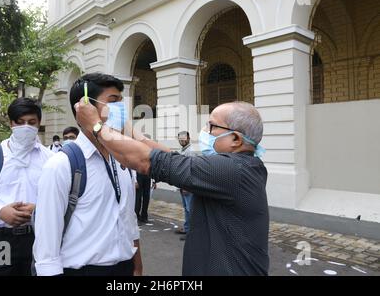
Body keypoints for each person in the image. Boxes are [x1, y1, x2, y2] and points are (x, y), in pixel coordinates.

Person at [76, 99, 269, 276]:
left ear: (235, 139)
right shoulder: (243, 166)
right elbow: (170, 156)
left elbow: (147, 160)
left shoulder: (231, 170)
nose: (204, 131)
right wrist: (127, 128)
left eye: (211, 126)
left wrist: (96, 126)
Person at [33, 73, 142, 276]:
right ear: (84, 106)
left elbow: (128, 217)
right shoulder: (61, 165)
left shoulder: (123, 160)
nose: (120, 109)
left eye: (121, 102)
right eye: (112, 101)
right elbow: (47, 244)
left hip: (124, 267)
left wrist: (137, 265)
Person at [0, 97, 53, 276]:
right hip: (0, 238)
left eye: (31, 122)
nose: (26, 127)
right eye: (20, 122)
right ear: (11, 123)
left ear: (39, 123)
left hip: (38, 239)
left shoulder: (50, 159)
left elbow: (59, 198)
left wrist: (39, 209)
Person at [175, 131, 196, 241]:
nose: (182, 140)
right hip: (182, 185)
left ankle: (192, 233)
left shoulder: (190, 152)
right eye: (180, 138)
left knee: (190, 209)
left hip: (187, 186)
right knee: (186, 209)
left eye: (184, 138)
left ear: (189, 138)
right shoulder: (182, 151)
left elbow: (189, 170)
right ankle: (187, 228)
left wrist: (186, 186)